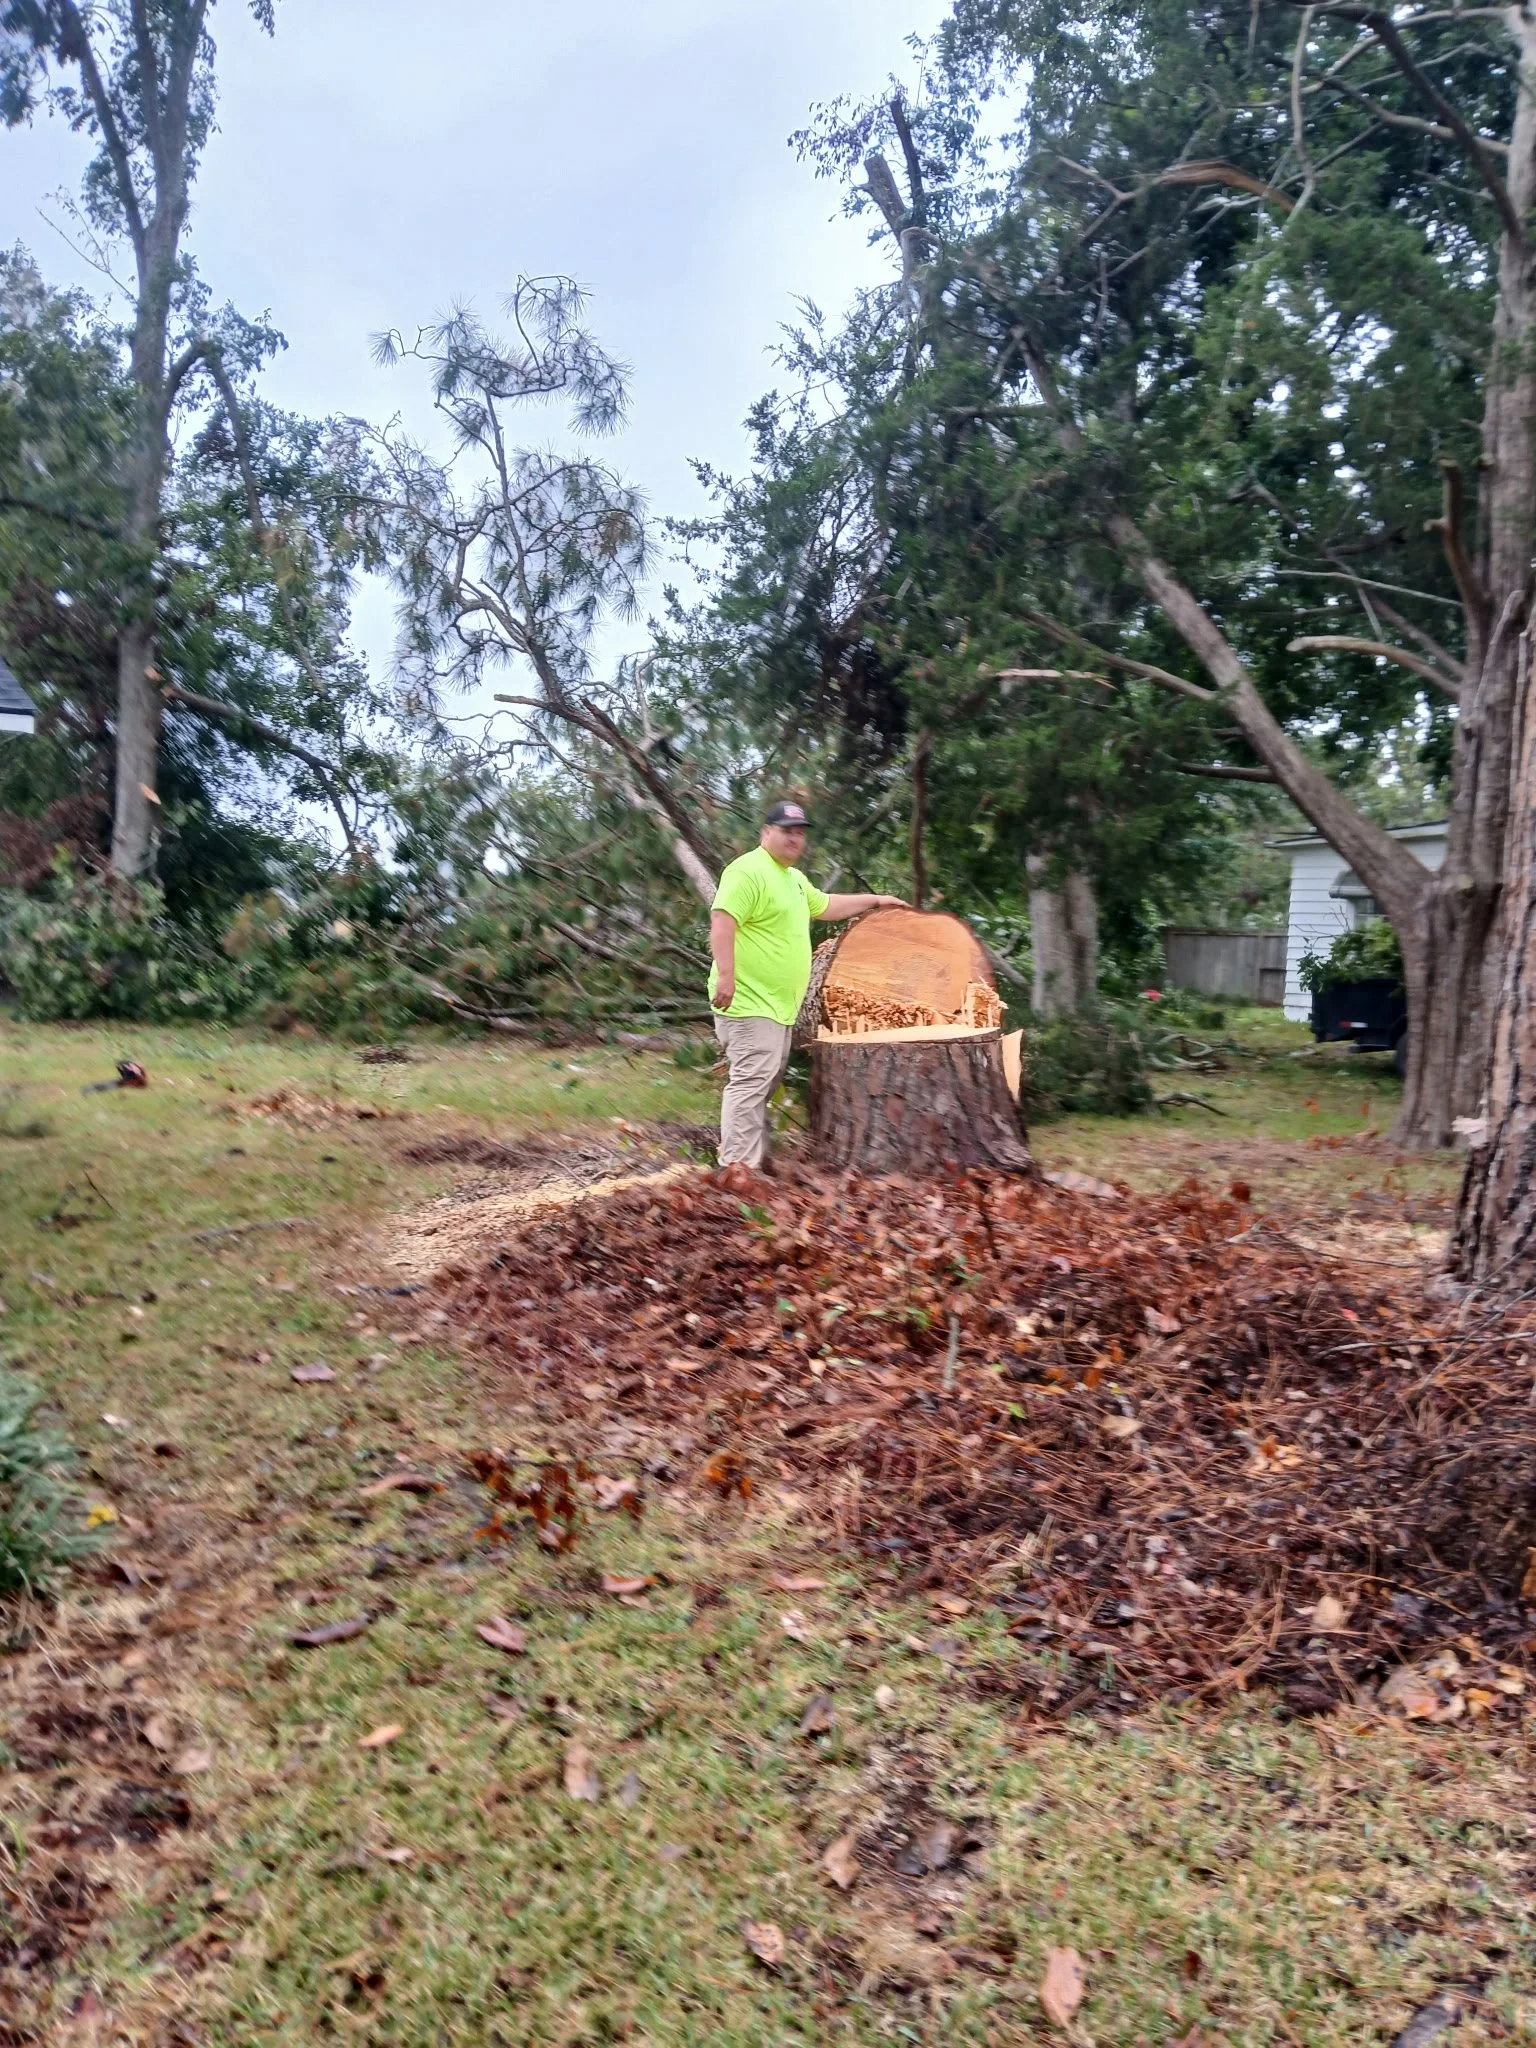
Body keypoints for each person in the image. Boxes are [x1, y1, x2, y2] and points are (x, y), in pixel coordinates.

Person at [708, 800, 905, 1169]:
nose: (795, 839)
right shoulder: (748, 870)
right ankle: (736, 1172)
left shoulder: (793, 880)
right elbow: (722, 919)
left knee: (762, 1084)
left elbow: (827, 904)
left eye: (799, 833)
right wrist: (727, 976)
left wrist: (876, 901)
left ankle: (751, 1164)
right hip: (750, 1002)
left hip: (777, 1007)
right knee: (751, 1084)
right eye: (787, 831)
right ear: (766, 833)